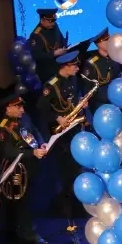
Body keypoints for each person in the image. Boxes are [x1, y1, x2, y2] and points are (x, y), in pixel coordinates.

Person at [0, 92, 48, 244]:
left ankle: (26, 228)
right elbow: (8, 151)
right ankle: (27, 232)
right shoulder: (2, 129)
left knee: (30, 200)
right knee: (22, 204)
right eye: (18, 107)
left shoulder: (24, 118)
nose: (22, 110)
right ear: (8, 108)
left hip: (31, 167)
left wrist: (41, 143)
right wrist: (32, 153)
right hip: (17, 171)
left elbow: (34, 130)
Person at [37, 50, 83, 206]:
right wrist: (57, 117)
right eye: (75, 66)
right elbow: (42, 107)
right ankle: (66, 196)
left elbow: (73, 98)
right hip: (59, 130)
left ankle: (77, 191)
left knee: (76, 160)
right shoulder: (51, 86)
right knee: (64, 164)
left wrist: (81, 104)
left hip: (73, 125)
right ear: (65, 66)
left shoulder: (73, 79)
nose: (77, 69)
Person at [82, 29, 122, 113]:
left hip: (117, 99)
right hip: (101, 104)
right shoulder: (91, 63)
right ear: (99, 44)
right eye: (107, 40)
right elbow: (88, 88)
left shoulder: (114, 56)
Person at [28, 8, 69, 82]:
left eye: (54, 21)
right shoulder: (36, 35)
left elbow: (60, 38)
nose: (52, 23)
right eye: (50, 21)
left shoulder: (54, 26)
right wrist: (54, 53)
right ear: (42, 20)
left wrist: (64, 46)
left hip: (59, 64)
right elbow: (36, 55)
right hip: (46, 70)